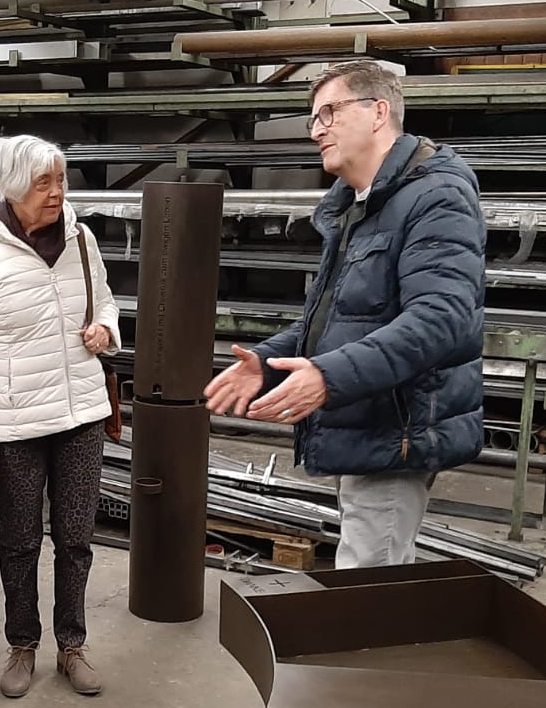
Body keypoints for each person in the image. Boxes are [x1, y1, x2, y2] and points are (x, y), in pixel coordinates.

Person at [204, 59, 485, 568]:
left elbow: (440, 319)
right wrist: (268, 363)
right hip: (366, 421)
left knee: (367, 586)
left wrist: (328, 377)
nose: (317, 130)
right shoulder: (362, 204)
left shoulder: (435, 196)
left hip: (395, 431)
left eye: (329, 113)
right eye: (314, 118)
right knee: (373, 573)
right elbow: (341, 317)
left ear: (378, 112)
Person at [0, 134, 121, 699]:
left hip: (81, 416)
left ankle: (72, 645)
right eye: (43, 182)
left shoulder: (80, 238)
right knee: (19, 542)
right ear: (15, 187)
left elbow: (105, 301)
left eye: (60, 180)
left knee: (76, 539)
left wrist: (106, 328)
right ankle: (22, 643)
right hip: (15, 426)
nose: (56, 192)